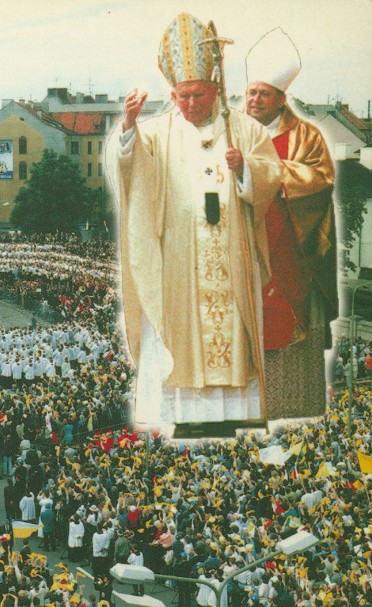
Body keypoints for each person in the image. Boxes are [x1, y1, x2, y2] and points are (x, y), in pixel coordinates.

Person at [107, 13, 281, 436]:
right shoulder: (158, 132)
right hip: (181, 262)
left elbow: (270, 175)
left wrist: (245, 172)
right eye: (182, 96)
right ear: (173, 93)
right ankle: (188, 418)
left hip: (233, 259)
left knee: (234, 337)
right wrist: (128, 127)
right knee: (184, 341)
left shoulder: (245, 129)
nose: (189, 105)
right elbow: (127, 168)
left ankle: (236, 413)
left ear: (216, 89)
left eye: (198, 95)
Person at [244, 28, 337, 420]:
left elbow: (321, 179)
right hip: (245, 246)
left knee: (288, 324)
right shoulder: (233, 131)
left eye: (263, 94)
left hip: (290, 249)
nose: (253, 101)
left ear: (282, 99)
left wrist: (265, 172)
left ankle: (293, 407)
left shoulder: (306, 135)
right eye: (250, 92)